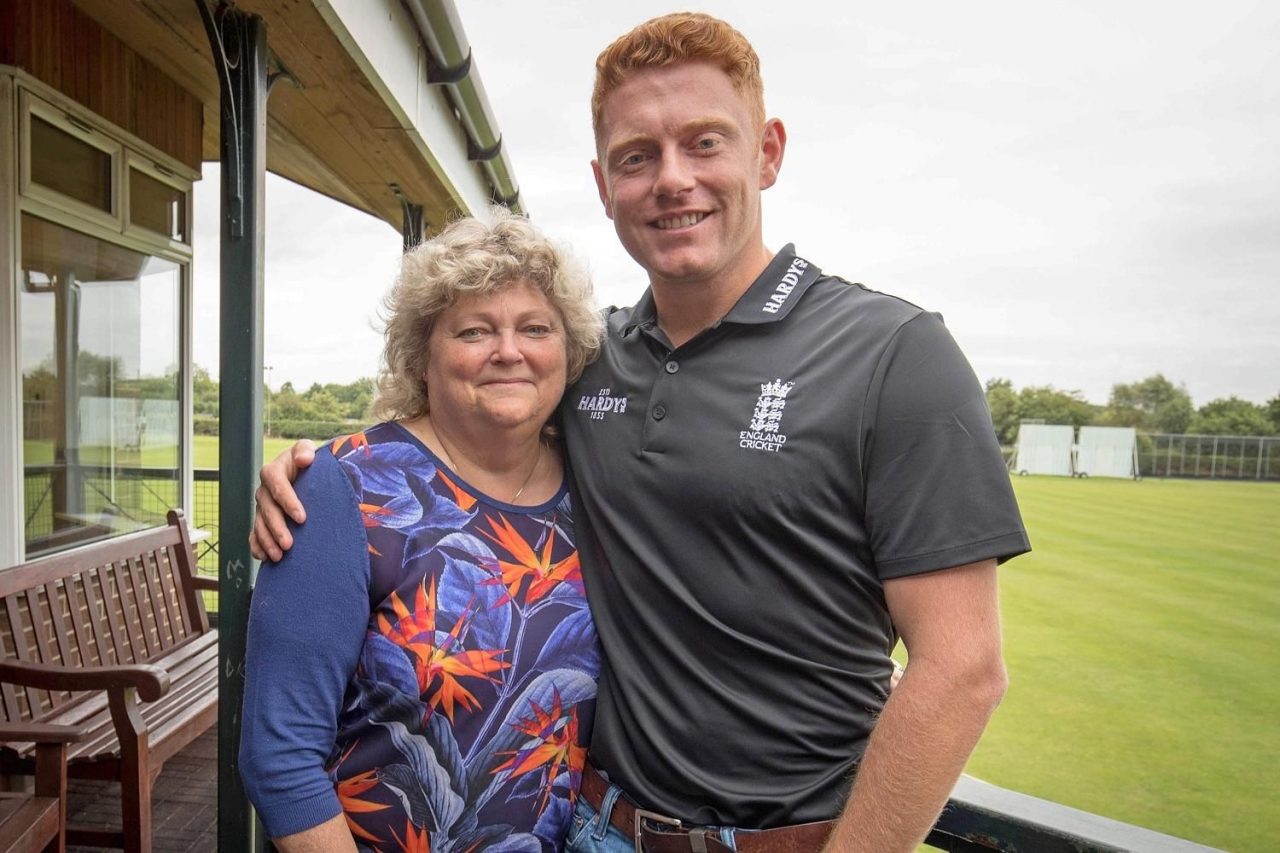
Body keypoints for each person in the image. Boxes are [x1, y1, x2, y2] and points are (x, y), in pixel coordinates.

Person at [251, 13, 1030, 852]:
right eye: (637, 156)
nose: (672, 179)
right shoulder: (592, 364)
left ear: (767, 152)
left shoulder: (895, 354)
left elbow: (961, 671)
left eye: (705, 143)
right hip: (594, 830)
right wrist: (314, 473)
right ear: (602, 181)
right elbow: (461, 430)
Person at [238, 209, 604, 852]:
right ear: (422, 355)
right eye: (474, 330)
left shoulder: (597, 490)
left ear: (568, 352)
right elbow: (279, 757)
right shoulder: (345, 490)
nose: (509, 351)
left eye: (535, 328)